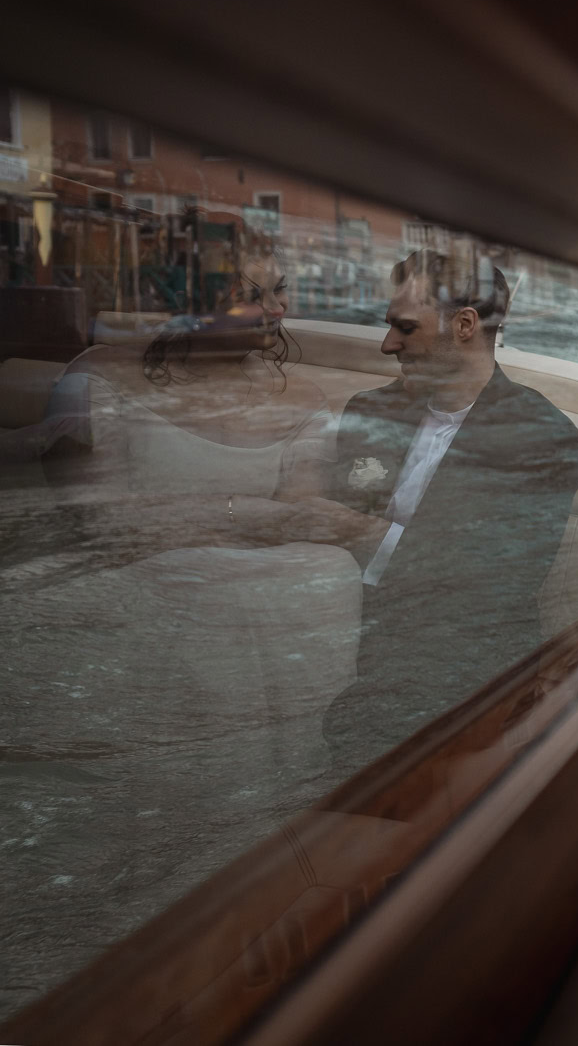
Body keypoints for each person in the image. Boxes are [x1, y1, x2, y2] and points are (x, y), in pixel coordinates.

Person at [4, 246, 367, 992]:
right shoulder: (98, 374)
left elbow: (302, 513)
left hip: (239, 598)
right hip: (122, 587)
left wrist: (244, 524)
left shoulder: (304, 396)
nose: (274, 310)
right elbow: (101, 525)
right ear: (191, 296)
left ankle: (234, 857)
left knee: (322, 572)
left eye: (280, 292)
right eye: (251, 292)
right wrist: (245, 516)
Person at [320, 246, 578, 767]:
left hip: (456, 651)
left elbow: (495, 583)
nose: (386, 344)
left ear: (464, 325)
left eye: (405, 328)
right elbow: (329, 535)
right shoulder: (369, 410)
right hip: (336, 616)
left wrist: (371, 536)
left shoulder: (540, 437)